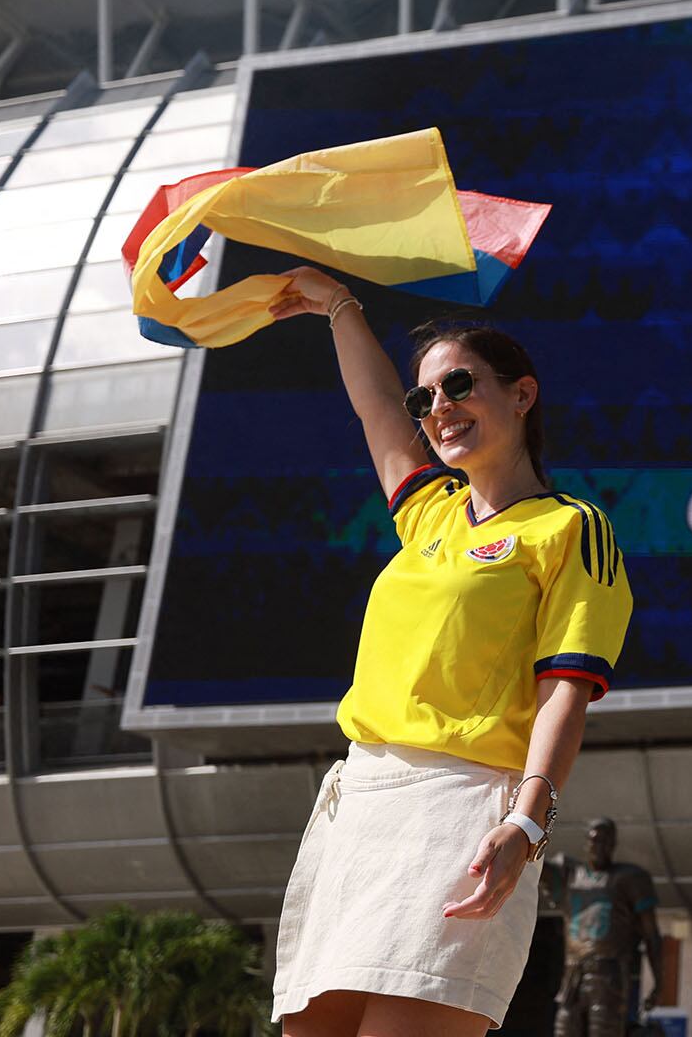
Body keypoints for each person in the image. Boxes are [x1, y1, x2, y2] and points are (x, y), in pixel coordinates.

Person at [266, 267, 634, 1037]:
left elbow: (564, 689)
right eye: (425, 397)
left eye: (459, 385)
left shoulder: (568, 528)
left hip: (460, 815)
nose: (439, 409)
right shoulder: (431, 516)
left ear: (521, 395)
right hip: (356, 811)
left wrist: (529, 822)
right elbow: (374, 412)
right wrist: (337, 307)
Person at [555, 818, 663, 1037]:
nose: (599, 847)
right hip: (573, 975)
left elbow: (652, 935)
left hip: (607, 975)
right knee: (565, 1027)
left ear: (613, 845)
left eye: (606, 841)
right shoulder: (571, 874)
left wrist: (659, 982)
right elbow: (529, 862)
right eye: (595, 840)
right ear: (586, 843)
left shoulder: (629, 879)